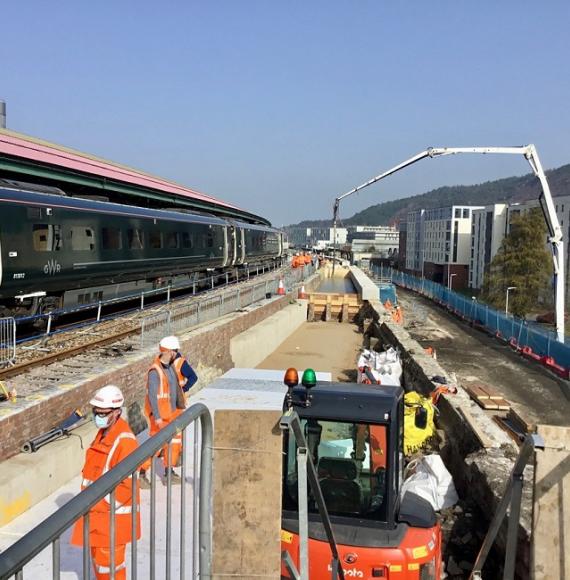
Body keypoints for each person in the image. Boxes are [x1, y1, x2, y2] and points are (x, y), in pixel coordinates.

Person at [71, 385, 140, 580]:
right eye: (96, 412)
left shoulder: (124, 441)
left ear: (117, 412)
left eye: (102, 413)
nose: (98, 416)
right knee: (102, 566)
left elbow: (126, 486)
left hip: (110, 519)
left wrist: (99, 506)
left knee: (109, 568)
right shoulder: (105, 434)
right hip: (99, 516)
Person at [139, 336, 186, 486]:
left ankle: (169, 471)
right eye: (175, 351)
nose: (176, 354)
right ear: (169, 351)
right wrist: (157, 417)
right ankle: (141, 472)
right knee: (156, 446)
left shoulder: (170, 367)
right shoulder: (155, 371)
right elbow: (153, 395)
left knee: (172, 443)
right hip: (160, 416)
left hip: (170, 413)